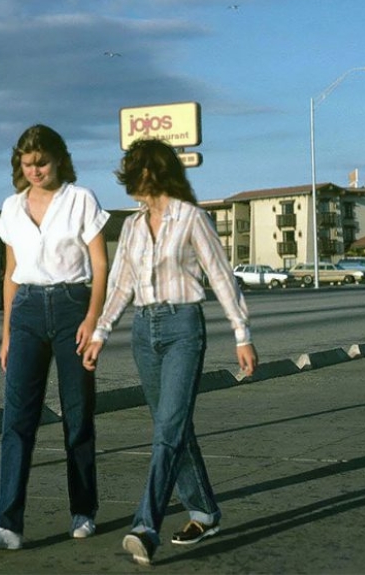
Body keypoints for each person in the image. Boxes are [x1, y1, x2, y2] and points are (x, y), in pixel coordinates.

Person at [80, 138, 258, 566]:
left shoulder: (191, 218)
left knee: (168, 430)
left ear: (152, 172)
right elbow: (121, 284)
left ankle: (145, 526)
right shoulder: (132, 226)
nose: (128, 182)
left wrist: (241, 334)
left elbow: (221, 276)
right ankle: (204, 512)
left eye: (134, 173)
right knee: (173, 428)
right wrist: (101, 332)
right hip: (144, 331)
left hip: (183, 328)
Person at [0, 124, 109, 550]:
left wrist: (93, 319)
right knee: (16, 421)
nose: (35, 170)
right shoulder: (12, 208)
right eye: (27, 163)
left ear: (58, 159)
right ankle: (6, 525)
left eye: (42, 162)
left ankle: (83, 510)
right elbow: (10, 274)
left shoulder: (80, 199)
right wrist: (6, 333)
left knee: (77, 415)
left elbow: (101, 264)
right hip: (27, 310)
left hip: (72, 307)